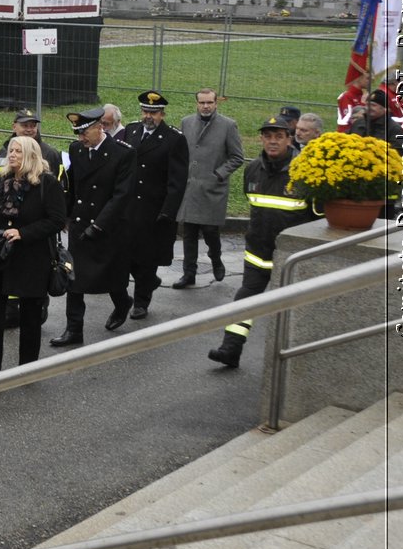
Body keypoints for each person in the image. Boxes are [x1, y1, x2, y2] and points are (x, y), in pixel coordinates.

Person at [207, 116, 315, 368]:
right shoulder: (253, 169)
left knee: (292, 309)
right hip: (258, 253)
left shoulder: (304, 172)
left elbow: (315, 217)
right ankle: (230, 350)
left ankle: (297, 361)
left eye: (279, 136)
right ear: (261, 139)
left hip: (291, 258)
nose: (273, 141)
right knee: (245, 301)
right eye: (268, 136)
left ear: (290, 139)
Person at [0, 136, 66, 379]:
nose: (11, 155)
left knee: (31, 316)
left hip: (33, 259)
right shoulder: (4, 180)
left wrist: (23, 233)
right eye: (11, 150)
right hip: (3, 258)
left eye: (18, 151)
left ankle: (27, 367)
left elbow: (55, 221)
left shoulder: (47, 184)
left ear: (31, 155)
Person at [50, 107, 136, 347]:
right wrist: (65, 215)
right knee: (74, 279)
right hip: (80, 224)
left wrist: (99, 225)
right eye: (77, 134)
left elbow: (121, 196)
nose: (80, 138)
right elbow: (73, 186)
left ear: (100, 127)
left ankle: (122, 303)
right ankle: (74, 329)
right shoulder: (77, 149)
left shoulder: (122, 153)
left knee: (111, 277)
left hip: (108, 226)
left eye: (84, 132)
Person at [117, 92, 188, 320]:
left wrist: (167, 212)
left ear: (162, 114)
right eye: (146, 111)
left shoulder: (174, 139)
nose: (149, 116)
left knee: (147, 260)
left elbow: (177, 182)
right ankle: (143, 286)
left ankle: (141, 302)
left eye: (154, 113)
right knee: (125, 257)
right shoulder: (132, 130)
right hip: (128, 208)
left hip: (153, 210)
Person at [175, 88, 243, 288]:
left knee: (211, 232)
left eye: (209, 103)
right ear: (197, 103)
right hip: (190, 188)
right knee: (188, 233)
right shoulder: (186, 122)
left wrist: (218, 174)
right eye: (202, 103)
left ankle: (216, 259)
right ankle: (189, 274)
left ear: (216, 104)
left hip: (212, 189)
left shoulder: (228, 125)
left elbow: (237, 157)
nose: (206, 106)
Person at [0, 109, 62, 199]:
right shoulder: (2, 153)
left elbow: (56, 190)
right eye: (25, 126)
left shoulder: (49, 154)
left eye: (33, 126)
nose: (29, 130)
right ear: (14, 127)